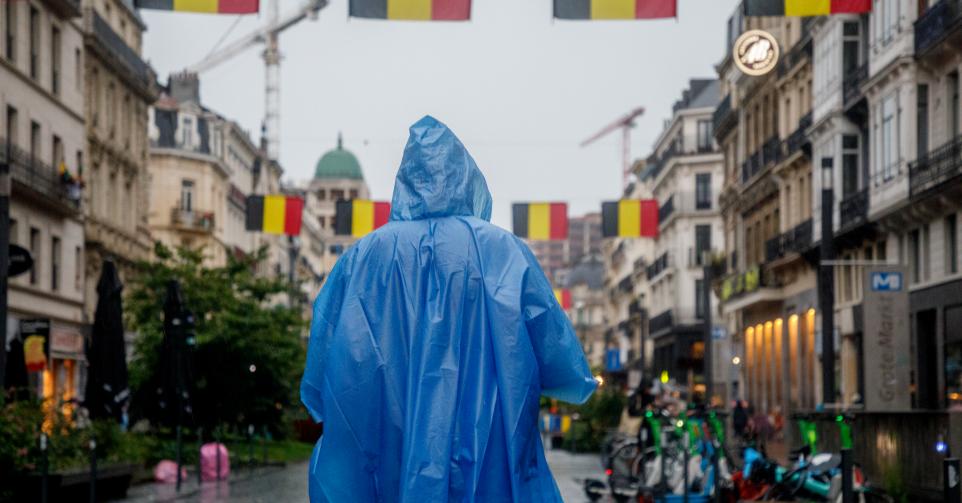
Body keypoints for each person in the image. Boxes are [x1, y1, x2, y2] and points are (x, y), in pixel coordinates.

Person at [300, 116, 597, 502]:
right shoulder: (505, 253)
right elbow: (558, 356)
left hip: (386, 446)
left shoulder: (363, 257)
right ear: (466, 177)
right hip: (487, 449)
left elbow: (326, 356)